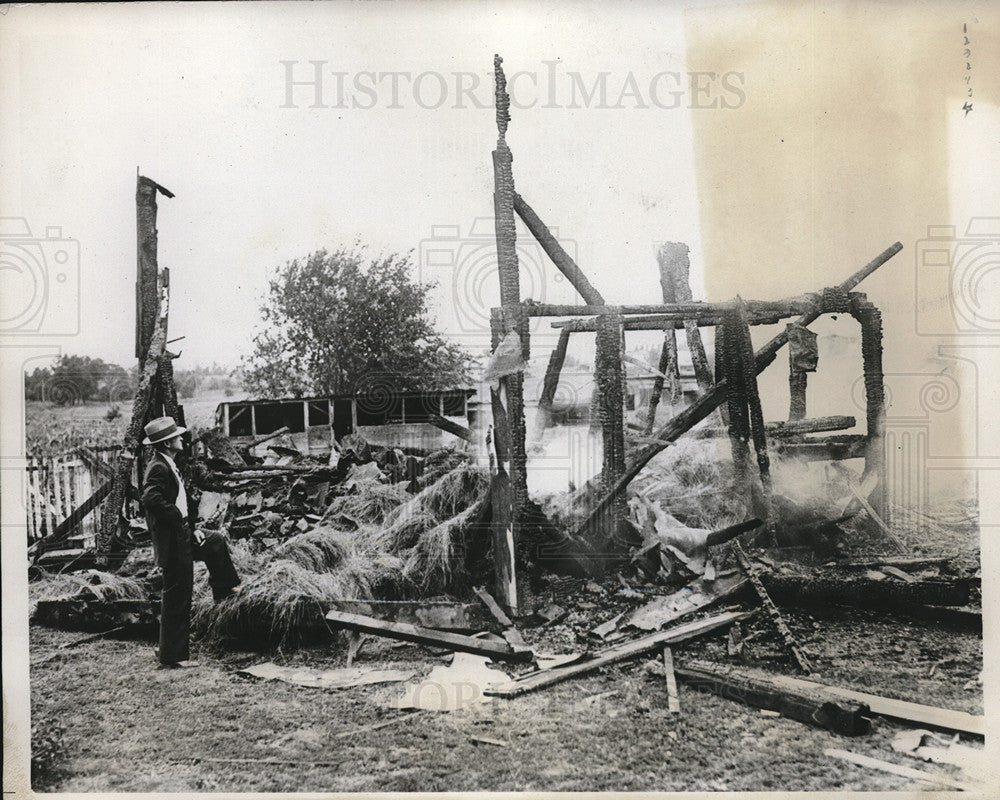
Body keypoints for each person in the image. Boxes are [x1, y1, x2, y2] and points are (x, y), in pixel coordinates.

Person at [140, 416, 241, 668]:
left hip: (183, 532)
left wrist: (192, 526)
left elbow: (180, 502)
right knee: (177, 593)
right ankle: (173, 657)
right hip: (173, 539)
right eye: (176, 437)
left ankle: (225, 590)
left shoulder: (168, 463)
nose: (181, 439)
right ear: (166, 444)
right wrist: (176, 518)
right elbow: (150, 498)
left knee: (214, 541)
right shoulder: (158, 468)